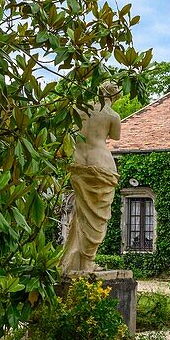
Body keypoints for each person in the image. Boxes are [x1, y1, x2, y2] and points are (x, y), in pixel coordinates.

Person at [60, 82, 122, 275]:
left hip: (78, 162)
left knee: (82, 213)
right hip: (101, 163)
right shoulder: (112, 116)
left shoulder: (78, 109)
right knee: (98, 217)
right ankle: (87, 261)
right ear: (115, 96)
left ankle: (75, 261)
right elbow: (115, 137)